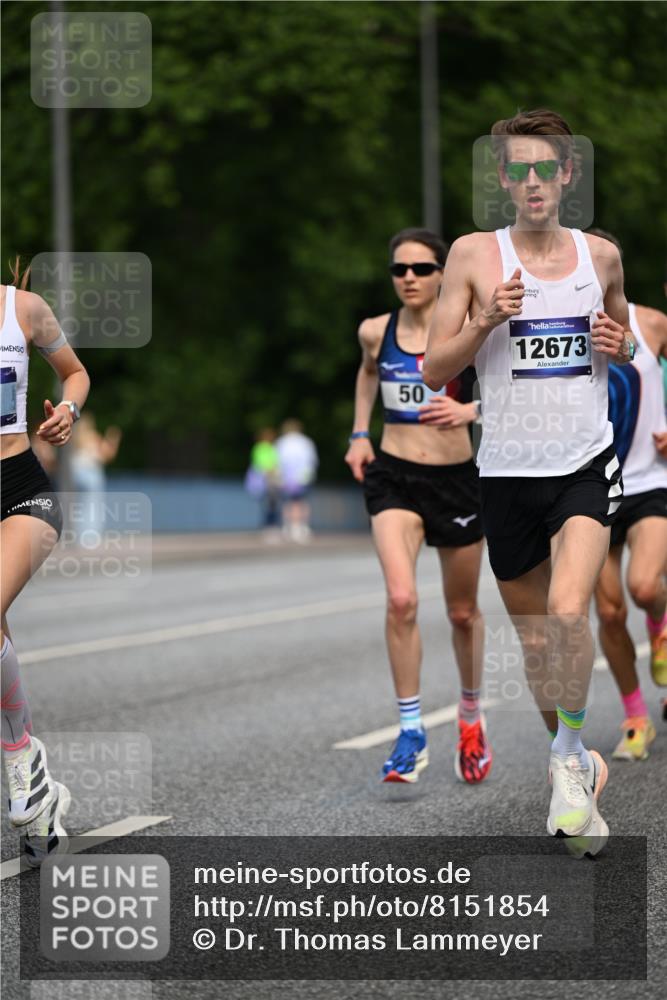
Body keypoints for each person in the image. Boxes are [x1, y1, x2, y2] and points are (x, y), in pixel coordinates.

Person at [423, 110, 634, 854]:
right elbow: (433, 370)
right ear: (503, 179)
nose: (533, 181)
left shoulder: (598, 255)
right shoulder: (474, 256)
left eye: (547, 168)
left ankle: (566, 766)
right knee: (539, 643)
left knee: (569, 612)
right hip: (505, 471)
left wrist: (623, 341)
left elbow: (625, 337)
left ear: (567, 174)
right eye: (518, 170)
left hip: (581, 462)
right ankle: (574, 759)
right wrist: (484, 321)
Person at [345, 227, 490, 785]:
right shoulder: (374, 331)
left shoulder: (470, 330)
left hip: (456, 480)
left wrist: (469, 412)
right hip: (395, 476)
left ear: (442, 273)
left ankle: (471, 718)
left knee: (461, 612)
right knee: (402, 599)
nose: (409, 278)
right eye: (399, 269)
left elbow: (513, 386)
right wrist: (360, 432)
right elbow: (366, 376)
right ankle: (410, 731)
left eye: (422, 269)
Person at [1, 261, 90, 865]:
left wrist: (68, 410)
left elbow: (76, 374)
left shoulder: (23, 309)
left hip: (21, 488)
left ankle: (19, 761)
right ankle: (30, 771)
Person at [587, 229, 667, 758]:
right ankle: (636, 716)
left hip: (648, 480)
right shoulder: (554, 327)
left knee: (643, 586)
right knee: (610, 614)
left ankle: (660, 624)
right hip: (588, 488)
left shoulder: (652, 322)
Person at [70, 412, 122, 542]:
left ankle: (78, 535)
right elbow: (107, 455)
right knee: (93, 507)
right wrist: (113, 439)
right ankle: (90, 537)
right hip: (91, 474)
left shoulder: (73, 438)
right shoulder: (92, 437)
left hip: (75, 474)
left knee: (78, 507)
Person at [276, 419, 318, 542]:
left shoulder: (281, 442)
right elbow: (312, 460)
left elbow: (277, 461)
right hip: (302, 477)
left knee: (288, 502)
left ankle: (288, 526)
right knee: (301, 501)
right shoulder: (306, 442)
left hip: (286, 478)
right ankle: (301, 526)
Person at [245, 427, 281, 539]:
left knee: (270, 504)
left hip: (270, 479)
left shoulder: (269, 448)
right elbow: (261, 464)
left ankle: (270, 526)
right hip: (266, 480)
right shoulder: (262, 448)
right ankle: (269, 527)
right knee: (269, 504)